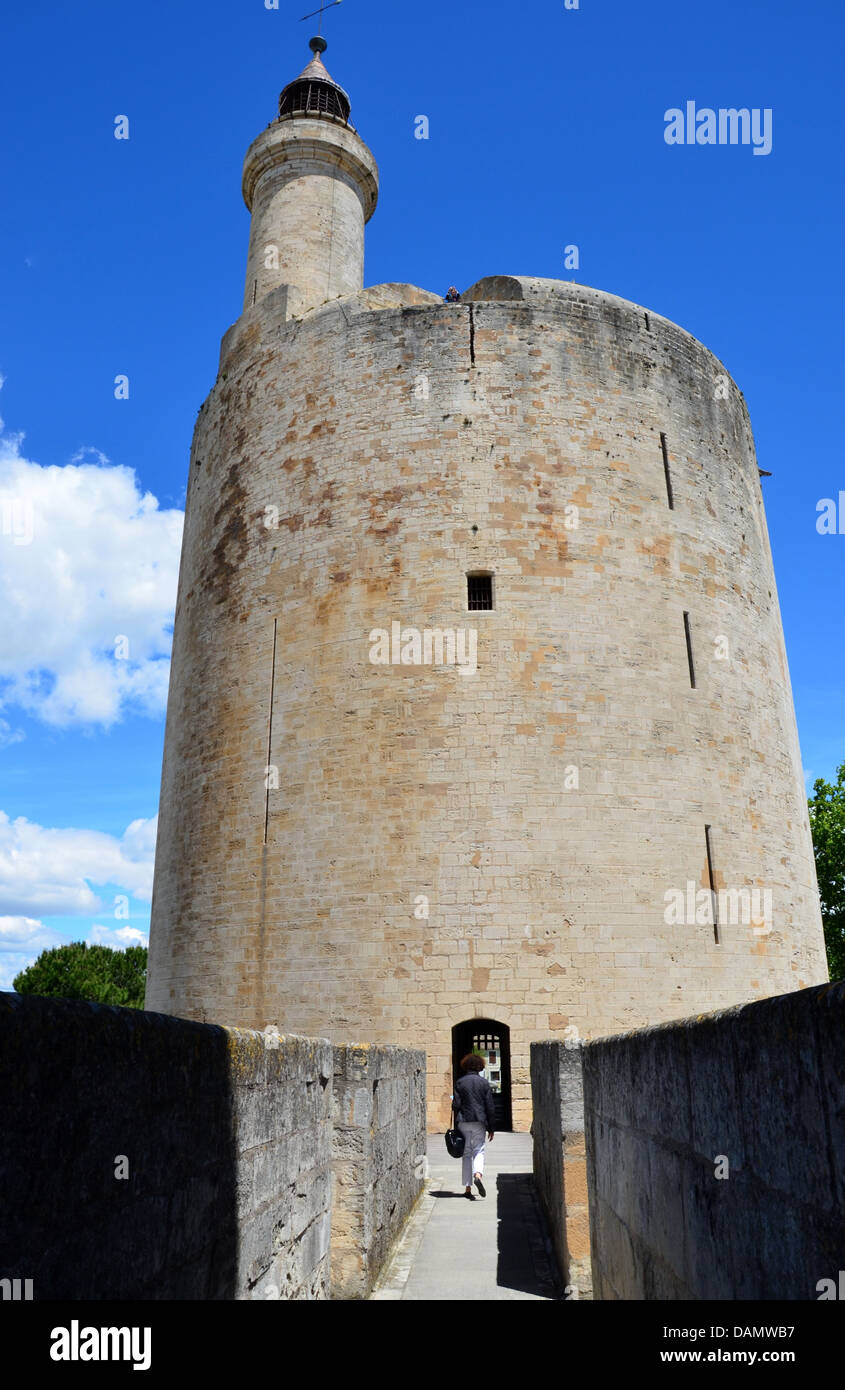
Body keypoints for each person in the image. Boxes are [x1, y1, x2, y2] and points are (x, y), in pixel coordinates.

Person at [452, 1053, 495, 1199]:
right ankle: (478, 1175)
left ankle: (468, 1188)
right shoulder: (484, 1083)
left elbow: (456, 1104)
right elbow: (490, 1106)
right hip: (479, 1122)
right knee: (479, 1150)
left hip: (463, 1121)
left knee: (466, 1153)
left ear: (465, 1066)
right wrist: (491, 1127)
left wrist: (455, 1124)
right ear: (480, 1066)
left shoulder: (460, 1082)